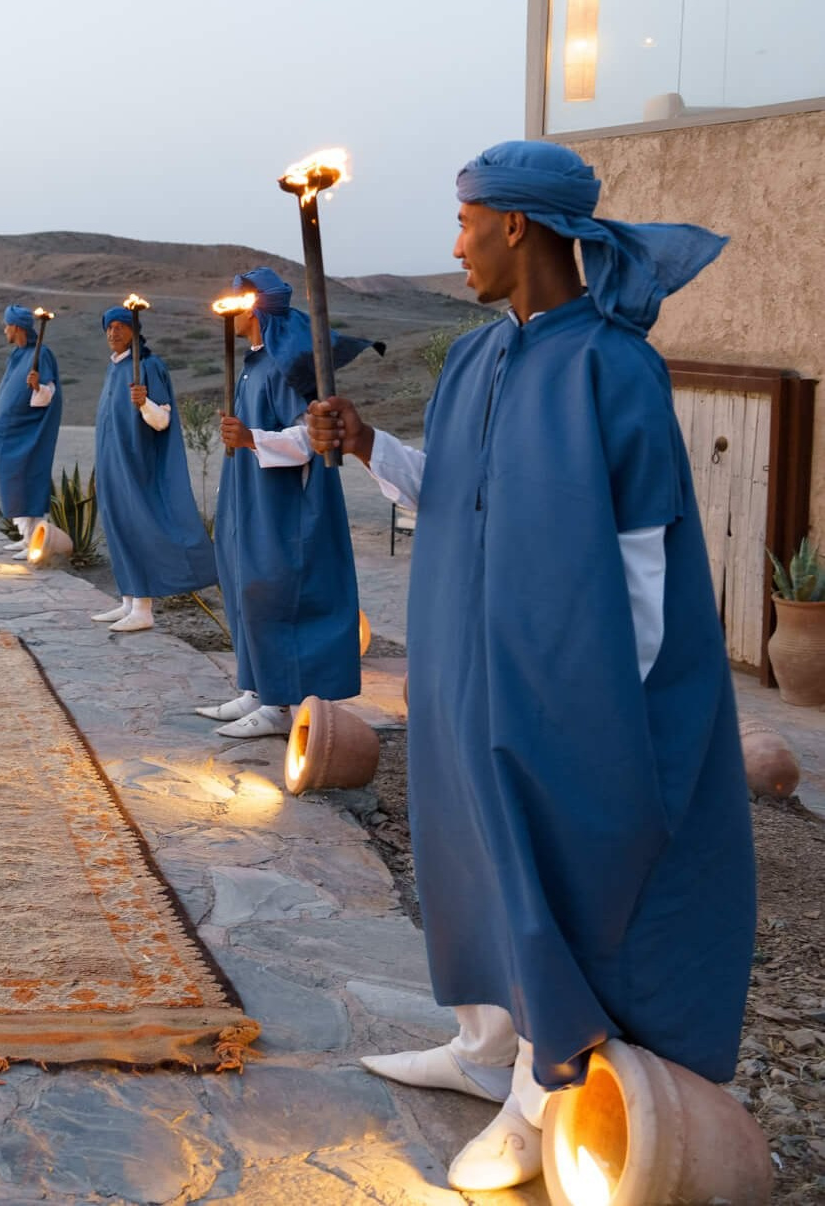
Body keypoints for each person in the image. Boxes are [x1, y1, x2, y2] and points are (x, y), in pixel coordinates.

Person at [305, 141, 753, 1192]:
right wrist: (370, 444)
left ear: (516, 225)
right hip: (464, 667)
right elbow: (448, 490)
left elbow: (645, 558)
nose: (455, 244)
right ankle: (481, 1045)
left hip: (566, 691)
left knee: (558, 880)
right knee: (467, 857)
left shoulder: (615, 365)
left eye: (466, 223)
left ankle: (537, 1091)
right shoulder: (472, 358)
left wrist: (610, 711)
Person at [197, 268, 371, 736]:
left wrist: (252, 439)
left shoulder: (285, 365)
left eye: (237, 302)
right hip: (249, 495)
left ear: (254, 308)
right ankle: (256, 688)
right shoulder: (255, 362)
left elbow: (310, 436)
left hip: (282, 504)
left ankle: (278, 708)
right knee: (241, 584)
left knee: (269, 589)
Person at [90, 307, 216, 631]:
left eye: (121, 326)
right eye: (109, 327)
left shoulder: (148, 366)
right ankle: (128, 601)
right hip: (112, 464)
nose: (113, 333)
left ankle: (144, 609)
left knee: (139, 525)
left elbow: (162, 420)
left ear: (135, 330)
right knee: (118, 525)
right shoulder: (113, 369)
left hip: (138, 463)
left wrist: (144, 402)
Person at [0, 306, 61, 552]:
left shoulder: (41, 354)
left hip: (28, 435)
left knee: (28, 480)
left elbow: (49, 394)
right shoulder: (16, 355)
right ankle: (25, 535)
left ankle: (36, 540)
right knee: (13, 482)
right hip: (9, 436)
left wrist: (37, 387)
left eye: (7, 325)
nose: (5, 330)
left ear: (17, 327)